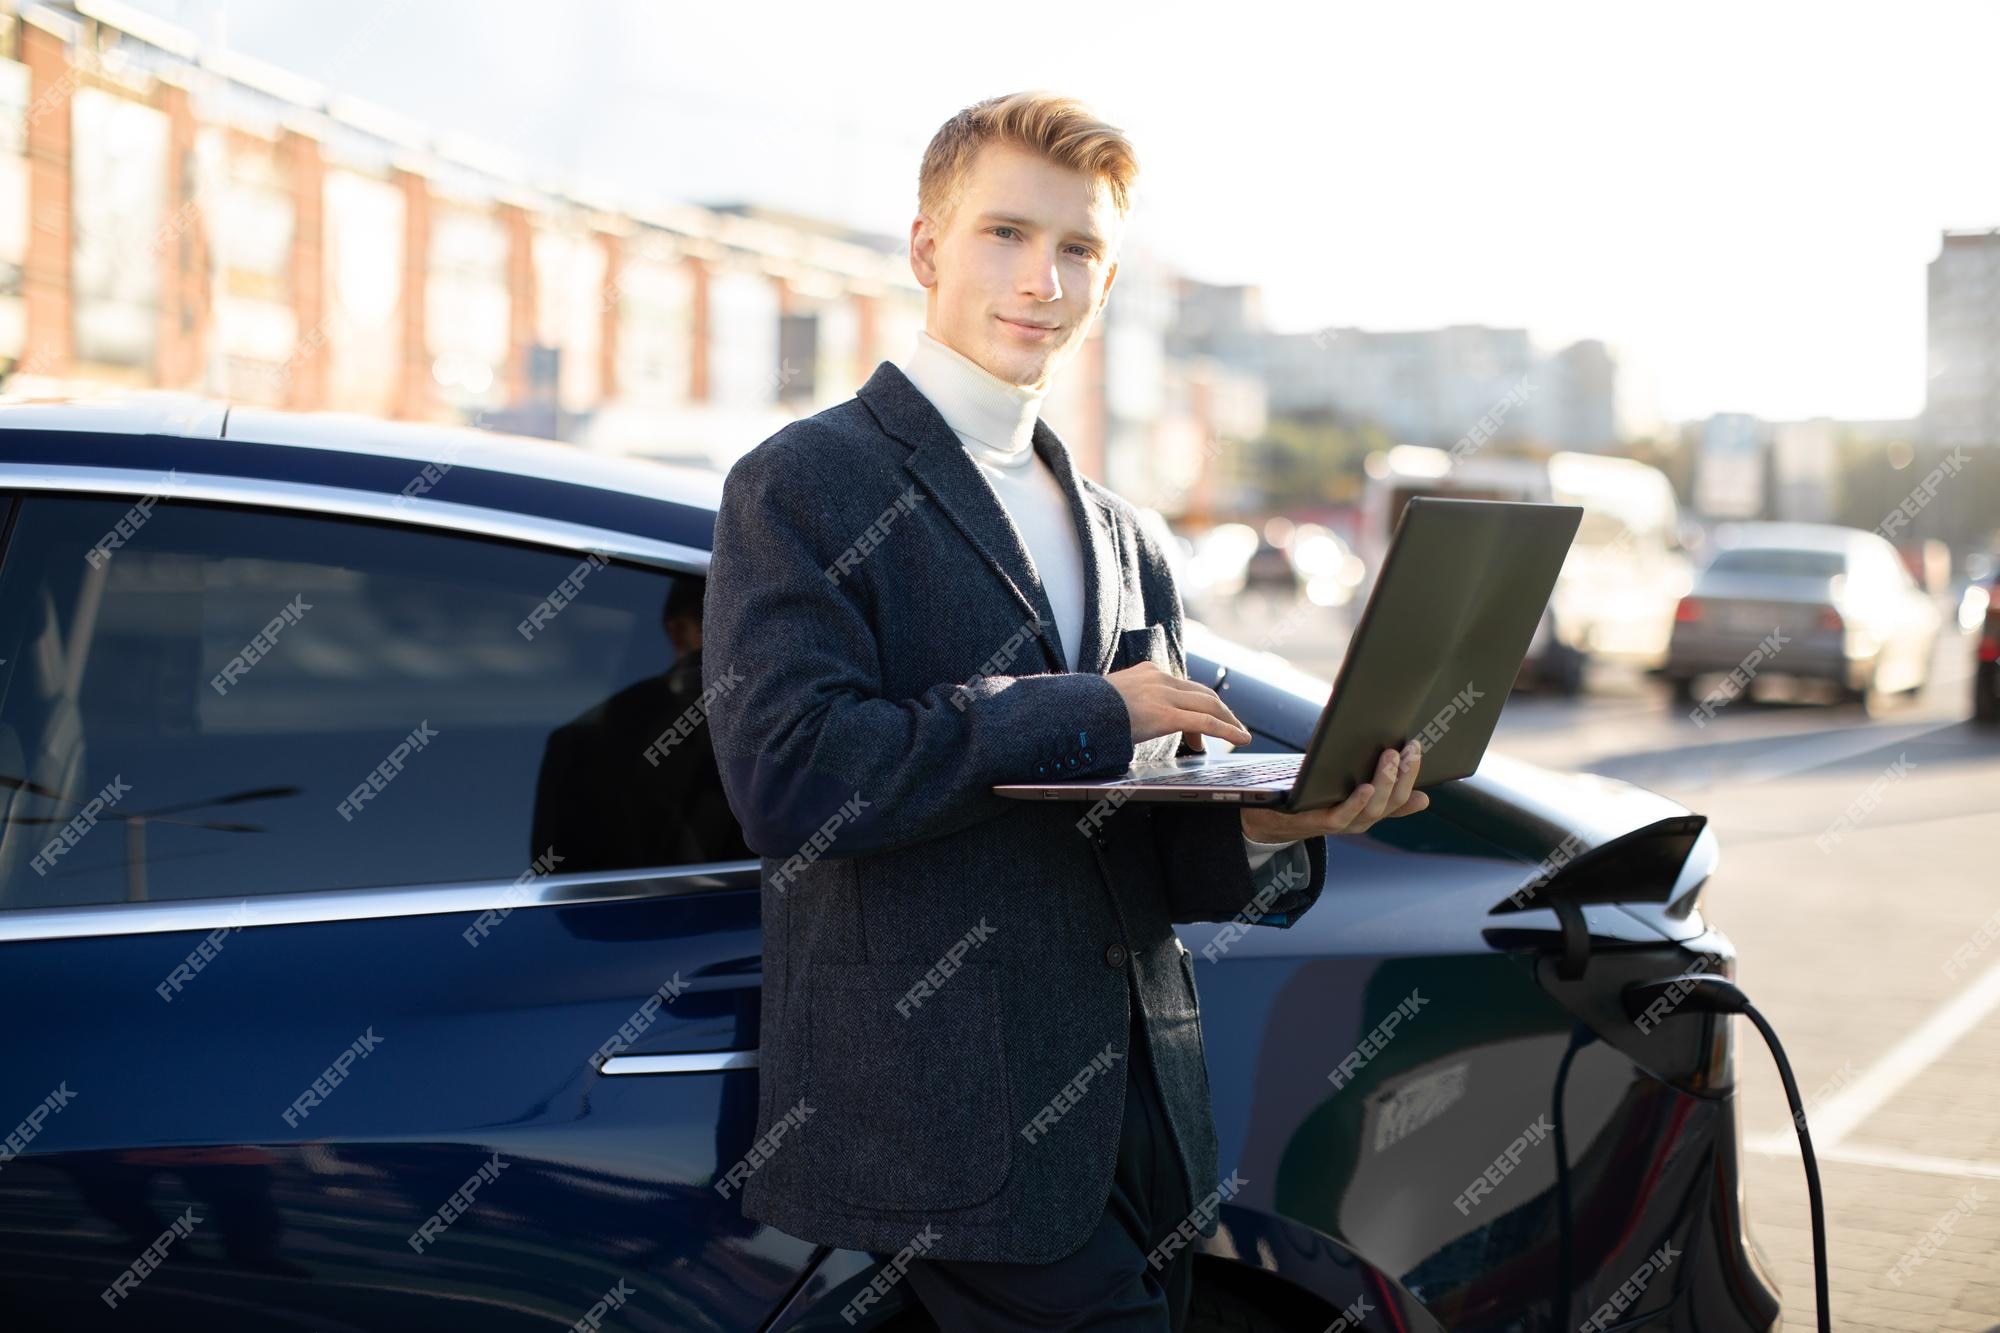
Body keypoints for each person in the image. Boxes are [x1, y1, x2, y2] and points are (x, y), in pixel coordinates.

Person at [701, 90, 1426, 1331]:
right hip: (946, 1129)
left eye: (1079, 249)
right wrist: (1090, 705)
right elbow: (794, 779)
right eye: (1005, 234)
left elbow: (1134, 843)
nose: (1041, 278)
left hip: (1144, 1120)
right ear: (927, 248)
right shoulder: (804, 482)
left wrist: (1278, 824)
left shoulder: (1124, 531)